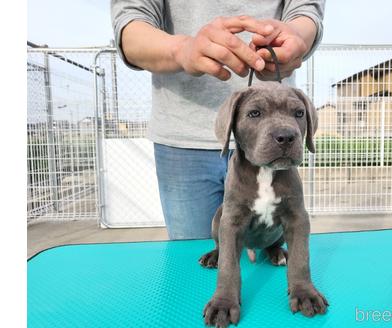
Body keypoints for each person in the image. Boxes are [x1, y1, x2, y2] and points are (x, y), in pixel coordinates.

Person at [111, 0, 325, 240]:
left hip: (275, 139)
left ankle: (272, 250)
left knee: (275, 237)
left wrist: (297, 36)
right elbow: (129, 26)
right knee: (194, 261)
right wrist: (182, 49)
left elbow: (307, 11)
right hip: (184, 137)